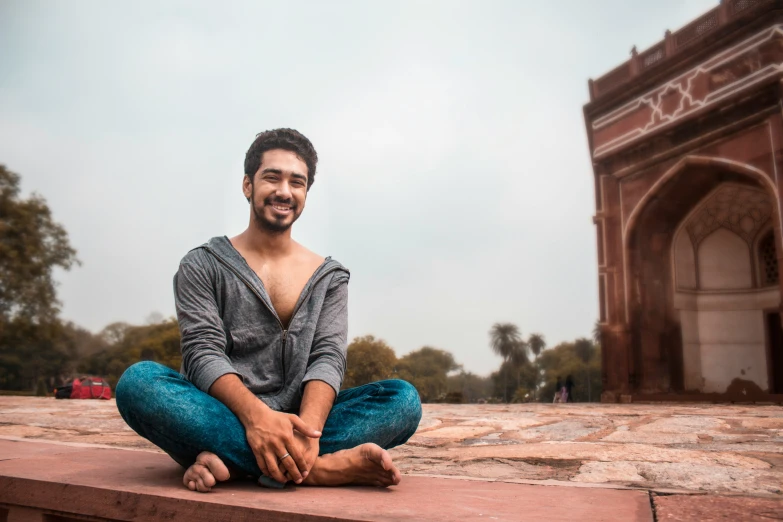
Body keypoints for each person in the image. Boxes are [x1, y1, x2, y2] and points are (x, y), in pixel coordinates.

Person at [115, 129, 422, 492]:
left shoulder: (329, 276)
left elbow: (328, 356)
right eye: (272, 177)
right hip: (223, 413)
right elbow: (202, 353)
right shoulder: (203, 265)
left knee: (403, 401)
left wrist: (308, 432)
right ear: (248, 185)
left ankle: (240, 461)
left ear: (306, 192)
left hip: (298, 419)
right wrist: (258, 419)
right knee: (138, 384)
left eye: (297, 182)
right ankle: (322, 471)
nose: (284, 191)